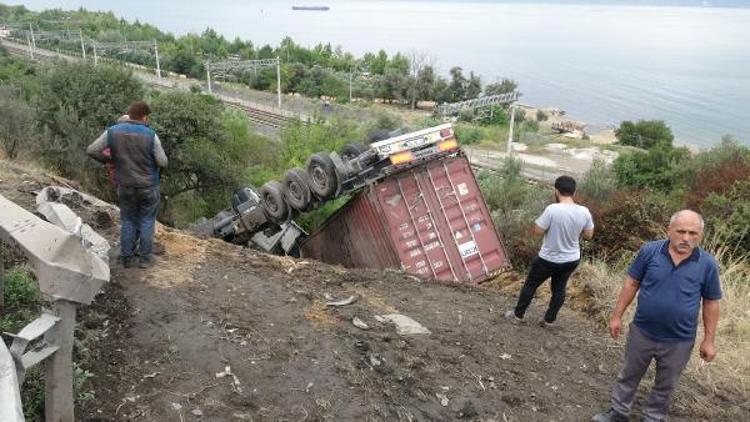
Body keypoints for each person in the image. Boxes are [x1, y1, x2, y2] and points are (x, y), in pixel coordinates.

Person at [592, 210, 721, 422]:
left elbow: (711, 302)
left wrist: (709, 340)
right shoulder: (650, 252)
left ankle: (653, 417)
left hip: (679, 340)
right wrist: (616, 316)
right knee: (629, 375)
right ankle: (618, 412)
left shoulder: (707, 264)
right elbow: (631, 283)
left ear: (701, 234)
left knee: (666, 384)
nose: (686, 238)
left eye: (693, 233)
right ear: (669, 230)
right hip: (642, 331)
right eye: (680, 231)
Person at [87, 101, 168, 269]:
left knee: (128, 220)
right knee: (146, 221)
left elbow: (92, 150)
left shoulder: (113, 131)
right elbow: (163, 161)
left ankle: (126, 258)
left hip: (125, 185)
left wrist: (111, 159)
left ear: (129, 114)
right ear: (145, 117)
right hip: (148, 186)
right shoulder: (151, 135)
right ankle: (145, 259)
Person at [505, 175, 594, 326]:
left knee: (531, 285)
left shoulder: (552, 210)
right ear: (574, 192)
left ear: (556, 191)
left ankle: (518, 315)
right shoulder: (584, 211)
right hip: (571, 259)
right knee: (559, 288)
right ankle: (549, 320)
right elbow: (588, 235)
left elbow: (538, 231)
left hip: (548, 259)